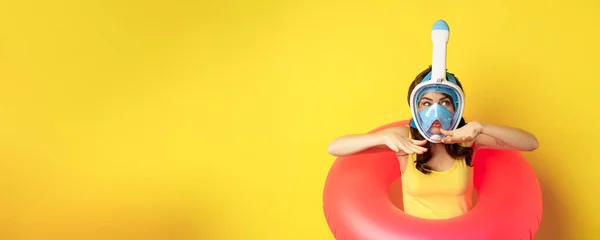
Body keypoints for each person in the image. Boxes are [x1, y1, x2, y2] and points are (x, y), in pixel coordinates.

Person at [326, 66, 539, 220]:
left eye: (445, 102)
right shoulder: (405, 137)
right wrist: (383, 137)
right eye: (426, 103)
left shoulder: (468, 140)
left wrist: (481, 127)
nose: (435, 111)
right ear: (415, 108)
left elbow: (531, 143)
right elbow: (334, 147)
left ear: (456, 106)